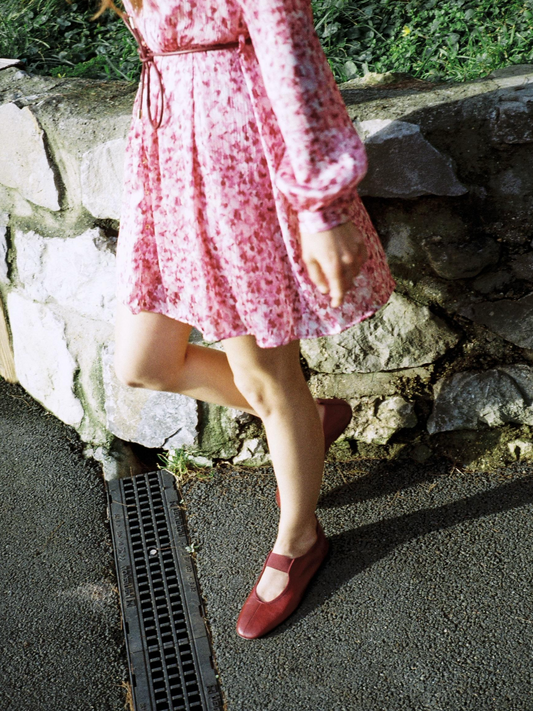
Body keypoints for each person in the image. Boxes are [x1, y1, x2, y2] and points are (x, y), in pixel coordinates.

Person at [97, 0, 395, 639]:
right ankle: (307, 424)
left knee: (265, 375)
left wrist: (322, 207)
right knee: (144, 363)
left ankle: (301, 537)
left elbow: (297, 67)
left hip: (240, 175)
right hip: (169, 165)